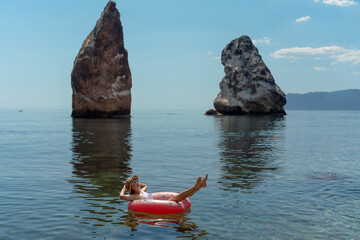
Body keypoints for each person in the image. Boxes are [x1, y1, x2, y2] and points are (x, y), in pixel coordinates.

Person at [119, 174, 208, 202]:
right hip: (157, 205)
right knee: (175, 198)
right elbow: (121, 196)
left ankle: (199, 186)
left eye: (136, 181)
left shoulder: (142, 191)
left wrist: (137, 184)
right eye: (134, 182)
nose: (137, 182)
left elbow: (145, 185)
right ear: (131, 187)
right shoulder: (134, 197)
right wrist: (124, 188)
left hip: (159, 202)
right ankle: (195, 187)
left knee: (179, 197)